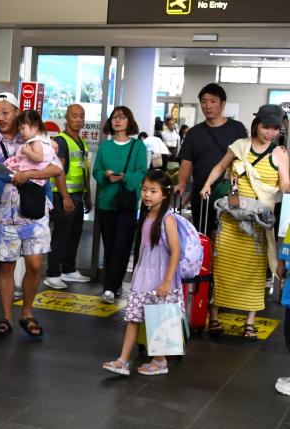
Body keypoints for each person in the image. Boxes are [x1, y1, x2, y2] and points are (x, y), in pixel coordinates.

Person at [0, 92, 63, 337]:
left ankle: (27, 312)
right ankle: (6, 317)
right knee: (6, 267)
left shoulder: (38, 139)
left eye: (5, 113)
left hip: (34, 212)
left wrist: (26, 176)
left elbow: (57, 168)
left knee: (35, 265)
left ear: (16, 112)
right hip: (3, 214)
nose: (0, 118)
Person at [200, 104, 290, 340]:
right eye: (265, 127)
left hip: (259, 220)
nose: (269, 132)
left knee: (254, 271)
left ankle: (250, 320)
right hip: (231, 217)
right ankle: (214, 314)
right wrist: (207, 184)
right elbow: (221, 166)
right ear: (256, 125)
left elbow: (285, 184)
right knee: (223, 267)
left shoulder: (279, 153)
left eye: (275, 128)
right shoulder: (240, 145)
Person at [102, 170, 183, 376]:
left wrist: (166, 281)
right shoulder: (147, 215)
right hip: (143, 274)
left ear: (164, 194)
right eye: (145, 189)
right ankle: (122, 360)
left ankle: (160, 361)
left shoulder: (168, 218)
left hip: (161, 276)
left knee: (159, 318)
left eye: (153, 191)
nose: (147, 194)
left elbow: (176, 253)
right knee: (133, 317)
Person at [175, 83, 248, 236]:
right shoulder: (194, 133)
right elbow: (186, 162)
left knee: (230, 235)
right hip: (202, 192)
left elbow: (245, 158)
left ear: (223, 104)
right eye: (204, 101)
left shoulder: (237, 128)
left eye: (213, 101)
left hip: (232, 191)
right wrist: (182, 184)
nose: (208, 106)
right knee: (203, 235)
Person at [93, 106, 147, 304]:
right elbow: (96, 171)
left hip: (127, 204)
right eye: (114, 117)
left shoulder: (138, 146)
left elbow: (142, 172)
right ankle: (113, 286)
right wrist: (105, 175)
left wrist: (126, 178)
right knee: (109, 246)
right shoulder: (105, 147)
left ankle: (109, 287)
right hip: (106, 203)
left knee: (122, 246)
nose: (117, 121)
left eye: (122, 117)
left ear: (129, 121)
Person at [44, 104, 91, 290]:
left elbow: (84, 170)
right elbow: (58, 171)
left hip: (78, 195)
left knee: (74, 234)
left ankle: (69, 269)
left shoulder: (81, 141)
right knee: (61, 235)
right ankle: (53, 273)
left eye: (81, 116)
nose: (78, 119)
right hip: (63, 196)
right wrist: (65, 197)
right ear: (67, 118)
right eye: (74, 116)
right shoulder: (61, 141)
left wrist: (88, 195)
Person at [0, 109, 54, 207]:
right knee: (47, 186)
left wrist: (27, 151)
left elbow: (39, 158)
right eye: (19, 129)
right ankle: (50, 205)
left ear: (35, 127)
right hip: (38, 178)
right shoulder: (43, 142)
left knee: (1, 178)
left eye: (23, 128)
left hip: (29, 178)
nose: (21, 132)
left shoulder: (35, 142)